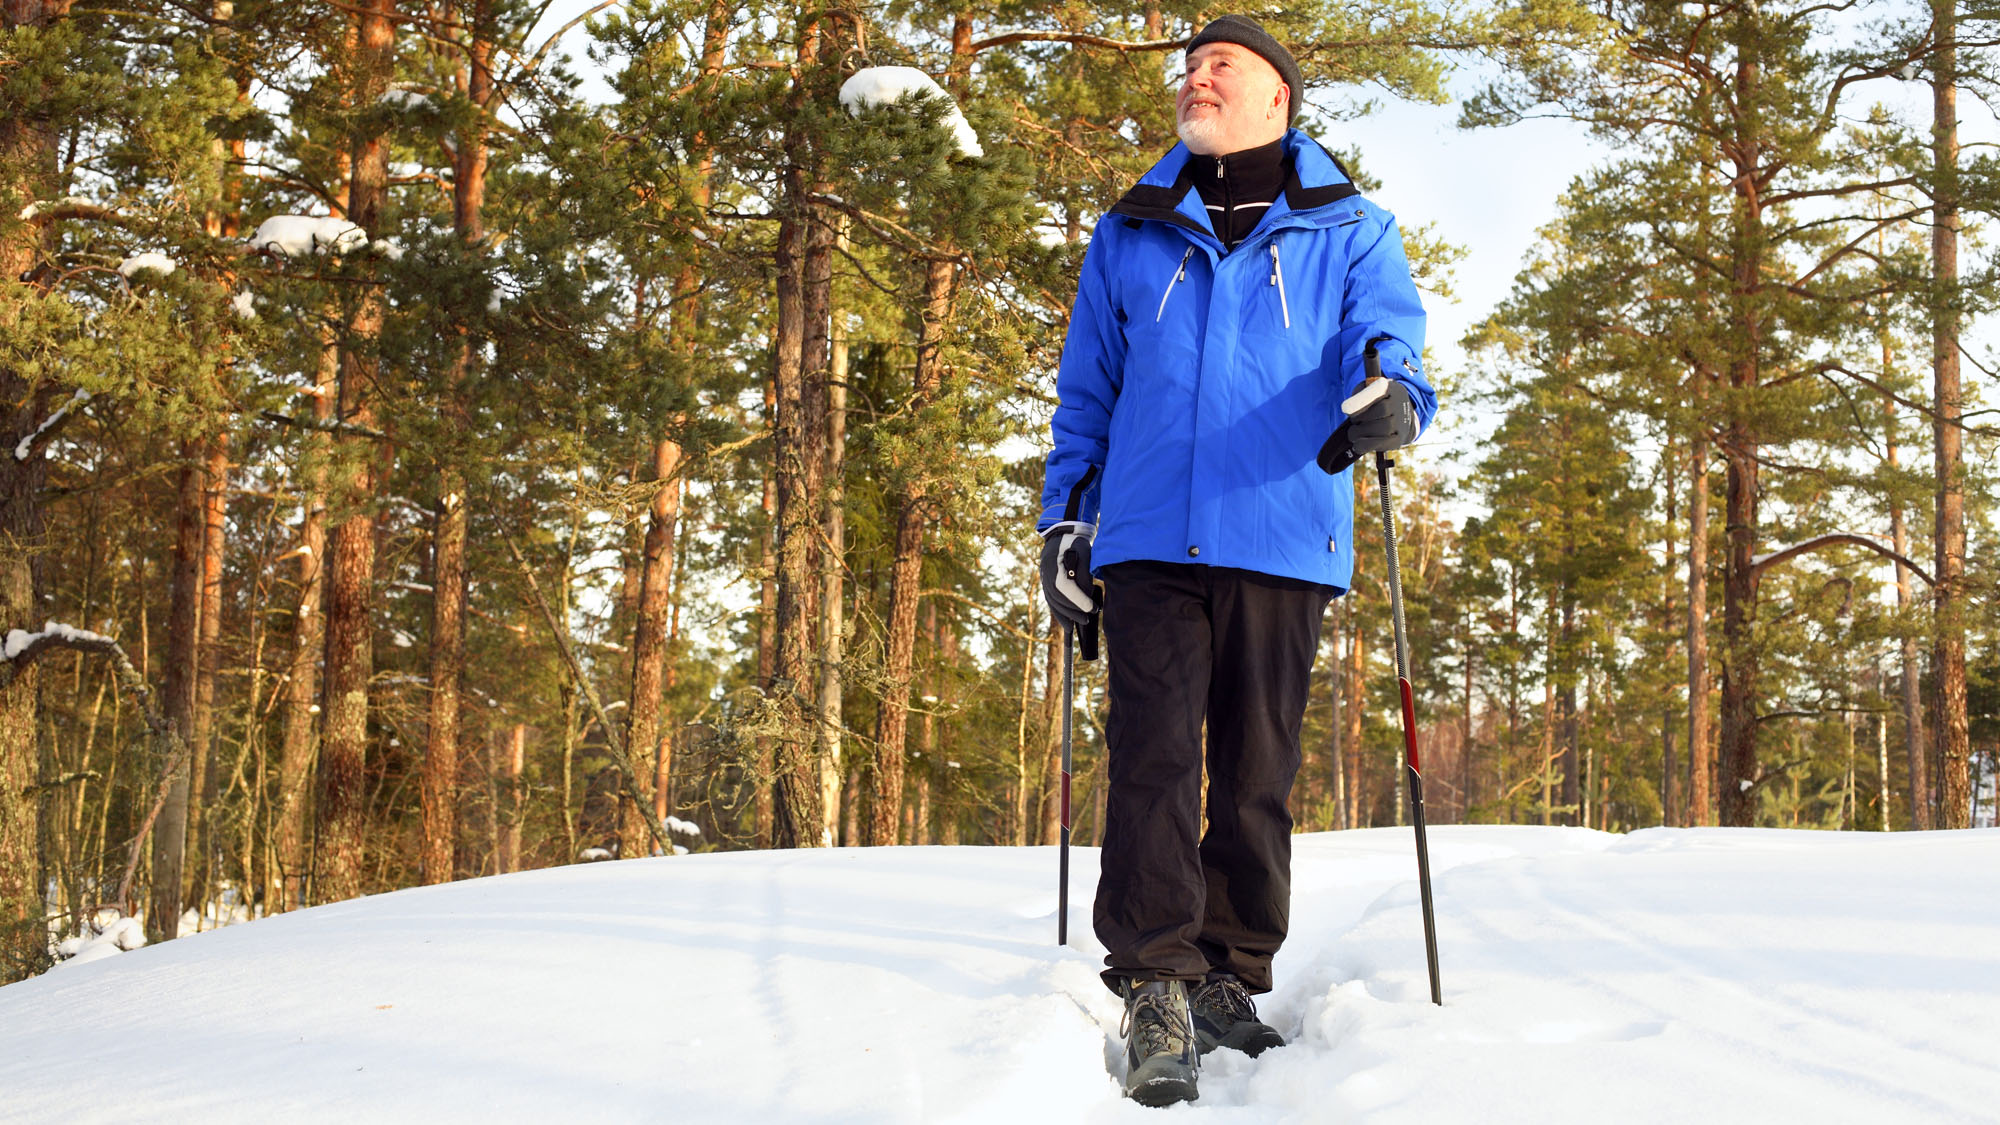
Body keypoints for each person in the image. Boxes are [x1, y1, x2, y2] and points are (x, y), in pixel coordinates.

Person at [1037, 15, 1437, 1107]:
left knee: (1255, 775)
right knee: (1154, 759)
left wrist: (1393, 399)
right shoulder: (1129, 230)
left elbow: (1388, 345)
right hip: (1151, 534)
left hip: (1279, 527)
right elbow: (1087, 395)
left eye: (1222, 66)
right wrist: (1063, 523)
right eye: (1190, 66)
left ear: (1277, 99)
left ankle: (1230, 972)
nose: (1195, 77)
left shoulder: (1350, 230)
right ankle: (1156, 978)